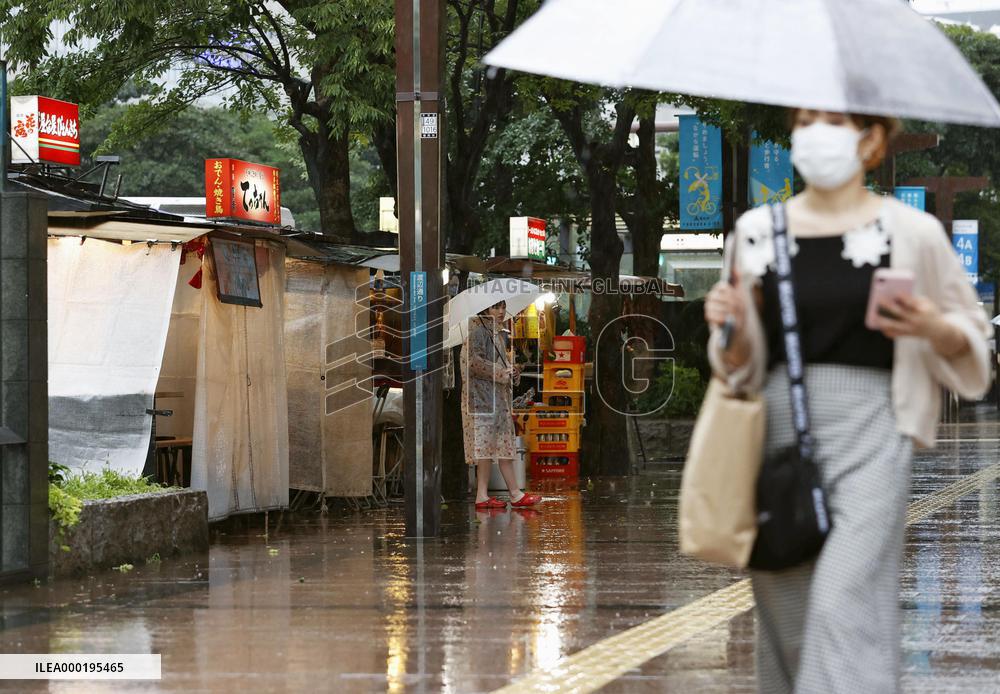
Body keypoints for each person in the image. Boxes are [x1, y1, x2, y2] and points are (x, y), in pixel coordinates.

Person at [704, 109, 990, 694]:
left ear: (872, 138)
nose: (816, 132)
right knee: (788, 618)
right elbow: (737, 362)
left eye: (833, 119)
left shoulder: (912, 232)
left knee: (842, 603)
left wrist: (933, 327)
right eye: (805, 120)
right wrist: (729, 328)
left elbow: (971, 335)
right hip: (775, 432)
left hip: (874, 431)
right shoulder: (756, 231)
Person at [460, 300, 542, 510]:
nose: (501, 311)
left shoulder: (497, 334)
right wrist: (502, 372)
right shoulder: (478, 332)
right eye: (495, 307)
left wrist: (512, 371)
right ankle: (489, 494)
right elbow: (474, 363)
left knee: (503, 446)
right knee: (486, 448)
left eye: (503, 307)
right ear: (485, 310)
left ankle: (511, 493)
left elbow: (497, 366)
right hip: (482, 401)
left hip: (497, 400)